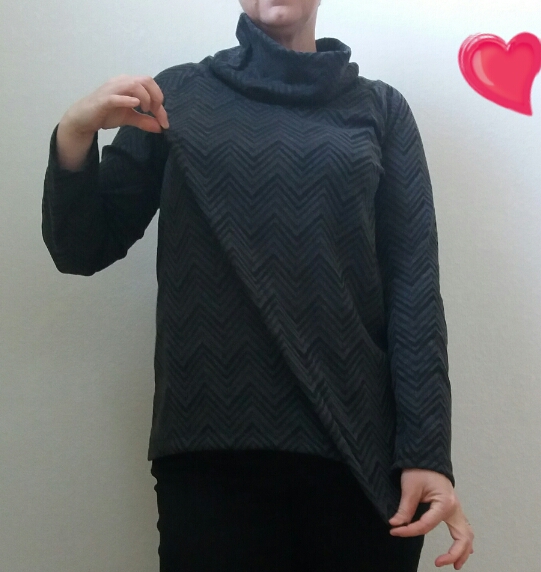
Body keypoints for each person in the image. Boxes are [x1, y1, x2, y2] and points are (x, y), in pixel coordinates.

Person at [42, 0, 474, 570]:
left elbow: (413, 289)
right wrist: (75, 131)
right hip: (210, 453)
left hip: (358, 457)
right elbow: (81, 248)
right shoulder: (176, 97)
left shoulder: (381, 109)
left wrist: (426, 452)